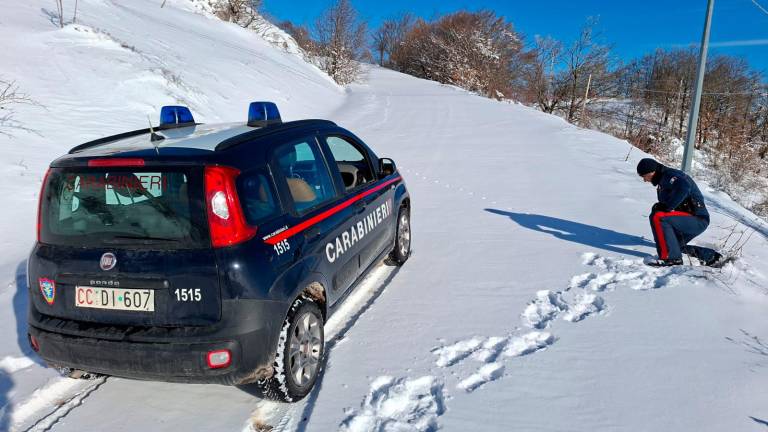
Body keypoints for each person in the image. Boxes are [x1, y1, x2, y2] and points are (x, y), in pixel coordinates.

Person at [636, 158, 722, 267]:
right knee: (673, 245)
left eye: (644, 176)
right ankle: (711, 256)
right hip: (687, 220)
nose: (645, 180)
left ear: (652, 172)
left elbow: (684, 187)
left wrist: (667, 207)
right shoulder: (663, 181)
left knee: (658, 217)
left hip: (697, 218)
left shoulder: (669, 175)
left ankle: (672, 259)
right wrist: (662, 206)